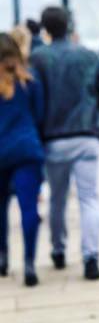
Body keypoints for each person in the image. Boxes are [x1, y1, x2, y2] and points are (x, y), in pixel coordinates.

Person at [29, 6, 99, 281]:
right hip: (86, 134)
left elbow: (34, 99)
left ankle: (58, 249)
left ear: (45, 29)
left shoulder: (38, 58)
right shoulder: (88, 55)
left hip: (54, 139)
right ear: (69, 25)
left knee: (57, 199)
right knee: (89, 198)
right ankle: (91, 256)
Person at [0, 32, 45, 286]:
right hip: (27, 149)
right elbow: (40, 116)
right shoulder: (30, 81)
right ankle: (29, 262)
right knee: (29, 208)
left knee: (1, 208)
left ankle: (3, 256)